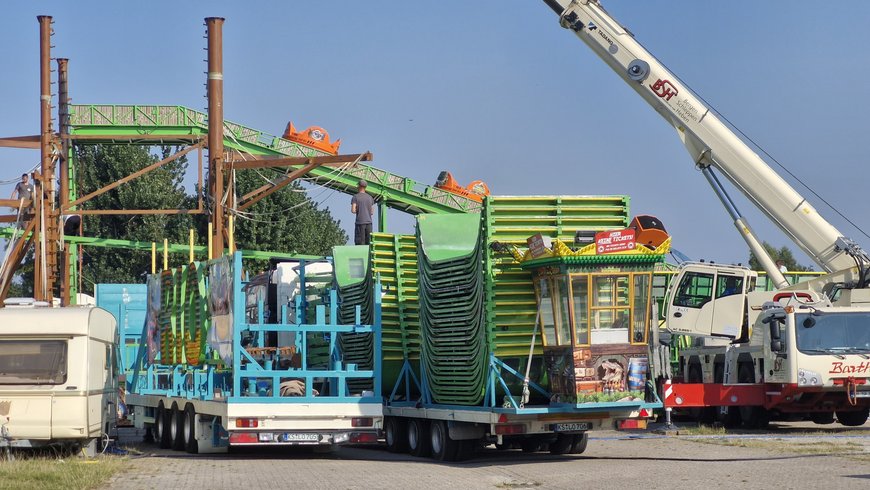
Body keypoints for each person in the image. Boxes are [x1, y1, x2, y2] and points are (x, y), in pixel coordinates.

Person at [351, 179, 374, 245]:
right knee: (369, 244)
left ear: (359, 186)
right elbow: (372, 212)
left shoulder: (355, 197)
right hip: (369, 224)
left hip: (360, 223)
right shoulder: (370, 197)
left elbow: (353, 210)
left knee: (360, 244)